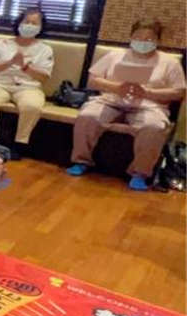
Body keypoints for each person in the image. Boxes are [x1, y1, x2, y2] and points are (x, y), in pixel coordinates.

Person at [67, 19, 186, 190]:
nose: (143, 42)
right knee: (88, 116)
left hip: (148, 105)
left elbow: (179, 92)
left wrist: (148, 92)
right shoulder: (114, 55)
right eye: (138, 37)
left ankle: (140, 173)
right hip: (111, 100)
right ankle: (81, 161)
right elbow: (93, 80)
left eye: (149, 39)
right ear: (131, 37)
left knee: (153, 127)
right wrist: (116, 87)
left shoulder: (169, 62)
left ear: (158, 40)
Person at [0, 9, 54, 153]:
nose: (29, 25)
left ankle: (20, 144)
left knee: (32, 106)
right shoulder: (2, 43)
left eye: (34, 23)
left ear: (41, 28)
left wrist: (24, 67)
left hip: (28, 87)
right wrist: (10, 62)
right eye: (27, 21)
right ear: (19, 23)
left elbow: (44, 77)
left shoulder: (45, 49)